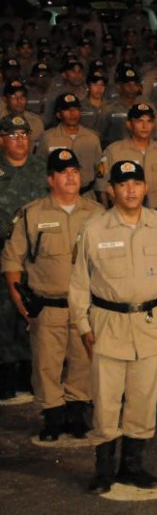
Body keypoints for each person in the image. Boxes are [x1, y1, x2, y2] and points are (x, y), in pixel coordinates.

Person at [69, 160, 157, 493]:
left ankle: (132, 465)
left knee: (143, 398)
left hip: (149, 324)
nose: (131, 190)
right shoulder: (94, 229)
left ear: (145, 187)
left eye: (136, 183)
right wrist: (82, 324)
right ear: (112, 190)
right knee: (105, 400)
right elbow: (79, 283)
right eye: (123, 184)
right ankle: (103, 469)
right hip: (108, 324)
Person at [2, 149, 103, 440]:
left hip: (85, 306)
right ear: (50, 179)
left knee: (83, 360)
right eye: (63, 172)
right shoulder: (32, 214)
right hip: (47, 306)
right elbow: (12, 259)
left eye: (74, 170)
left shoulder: (96, 214)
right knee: (47, 363)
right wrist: (18, 298)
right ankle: (53, 418)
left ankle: (77, 414)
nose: (71, 176)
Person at [0, 115, 47, 400]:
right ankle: (5, 376)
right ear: (2, 139)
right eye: (13, 135)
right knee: (4, 315)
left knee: (35, 316)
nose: (20, 140)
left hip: (37, 257)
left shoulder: (43, 171)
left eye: (24, 135)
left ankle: (30, 375)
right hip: (2, 254)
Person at [95, 103, 157, 210]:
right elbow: (101, 186)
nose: (145, 126)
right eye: (140, 121)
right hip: (123, 211)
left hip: (155, 212)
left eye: (149, 121)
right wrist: (106, 212)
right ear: (129, 124)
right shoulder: (113, 151)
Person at [36, 94, 102, 200]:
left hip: (86, 196)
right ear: (58, 114)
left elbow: (100, 170)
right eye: (67, 110)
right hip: (56, 196)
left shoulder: (92, 138)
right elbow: (39, 167)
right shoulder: (48, 138)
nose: (72, 114)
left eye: (76, 109)